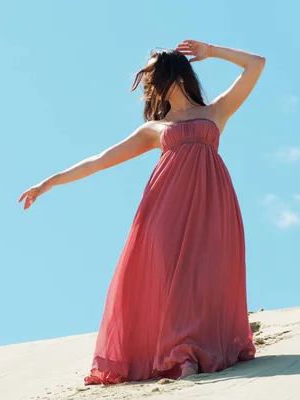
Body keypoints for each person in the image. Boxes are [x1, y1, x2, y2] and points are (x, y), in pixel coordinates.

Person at [18, 39, 265, 384]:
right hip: (165, 208)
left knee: (206, 276)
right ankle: (183, 357)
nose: (148, 84)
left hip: (214, 206)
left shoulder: (216, 112)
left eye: (151, 76)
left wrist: (211, 51)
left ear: (171, 75)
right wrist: (50, 182)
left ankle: (199, 348)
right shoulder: (155, 129)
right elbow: (100, 160)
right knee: (173, 281)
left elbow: (257, 64)